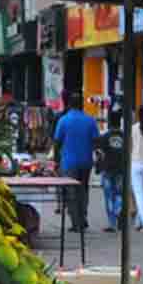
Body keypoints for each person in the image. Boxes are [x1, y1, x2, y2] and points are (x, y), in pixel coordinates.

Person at [53, 92, 99, 232]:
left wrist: (56, 160)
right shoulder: (90, 120)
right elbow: (96, 141)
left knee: (71, 192)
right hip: (86, 161)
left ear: (69, 105)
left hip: (69, 162)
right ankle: (83, 218)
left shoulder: (64, 120)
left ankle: (76, 223)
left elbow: (57, 142)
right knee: (83, 190)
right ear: (82, 105)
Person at [95, 110, 126, 232]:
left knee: (109, 196)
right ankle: (119, 211)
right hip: (121, 170)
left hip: (107, 169)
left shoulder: (104, 137)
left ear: (109, 122)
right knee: (119, 194)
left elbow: (99, 154)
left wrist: (98, 167)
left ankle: (112, 223)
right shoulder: (125, 136)